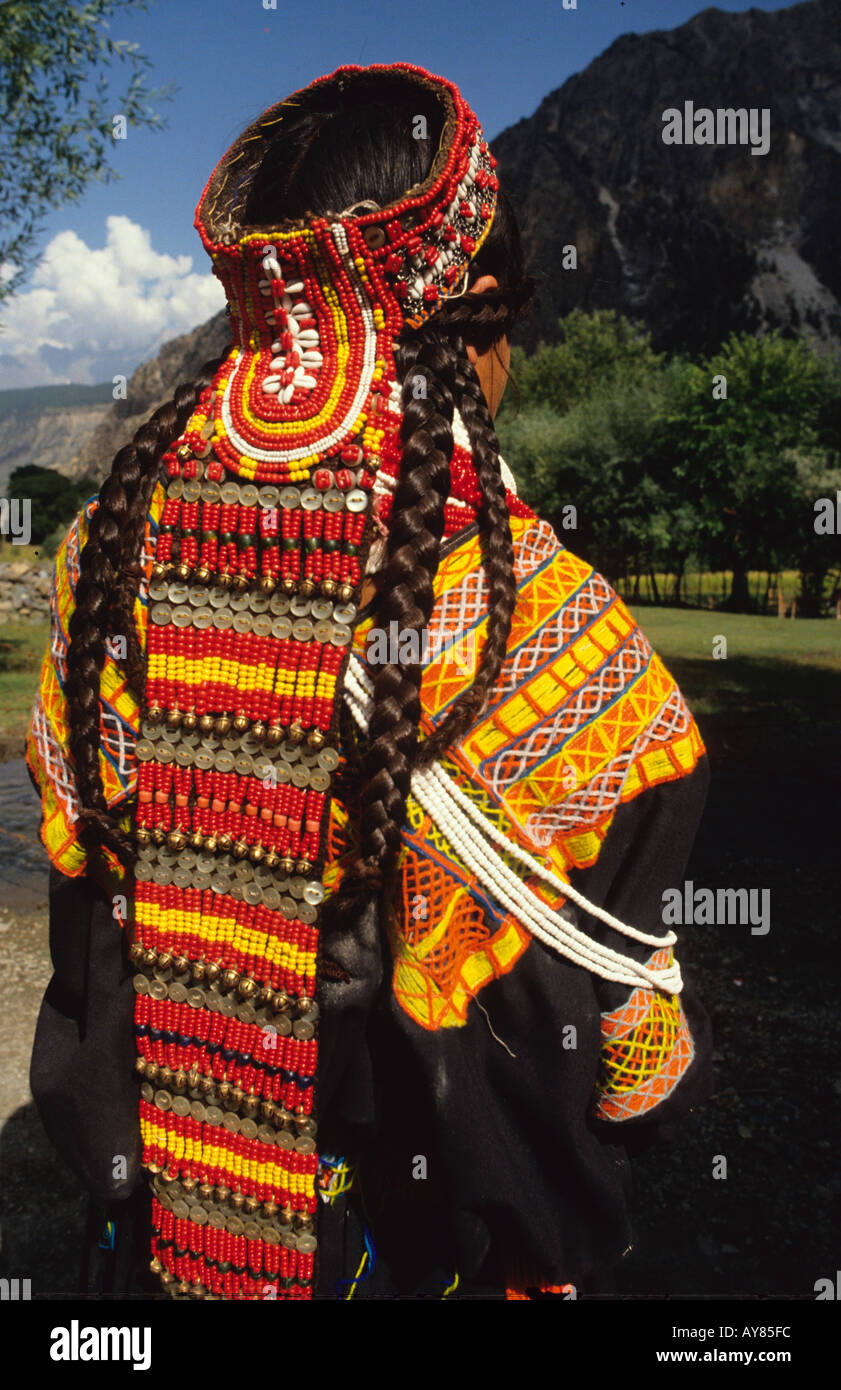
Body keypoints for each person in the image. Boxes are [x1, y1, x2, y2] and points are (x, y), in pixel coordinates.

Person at [26, 61, 712, 1301]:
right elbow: (607, 1061)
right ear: (482, 321)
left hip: (159, 1240)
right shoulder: (553, 635)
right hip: (418, 1258)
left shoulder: (101, 557)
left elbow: (89, 955)